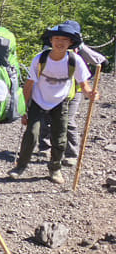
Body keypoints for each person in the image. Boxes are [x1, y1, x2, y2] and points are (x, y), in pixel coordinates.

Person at [8, 22, 98, 184]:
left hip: (60, 102)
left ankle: (55, 169)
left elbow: (84, 85)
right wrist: (24, 109)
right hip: (38, 101)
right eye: (56, 38)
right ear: (50, 40)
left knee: (60, 137)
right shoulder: (40, 59)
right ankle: (20, 166)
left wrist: (91, 94)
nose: (60, 42)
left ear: (71, 42)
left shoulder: (74, 61)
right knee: (32, 134)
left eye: (65, 39)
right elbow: (28, 85)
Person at [37, 20, 107, 166]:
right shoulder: (51, 49)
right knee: (45, 118)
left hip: (75, 91)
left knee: (67, 121)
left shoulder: (78, 50)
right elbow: (102, 61)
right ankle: (45, 147)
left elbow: (100, 62)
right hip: (52, 91)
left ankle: (71, 153)